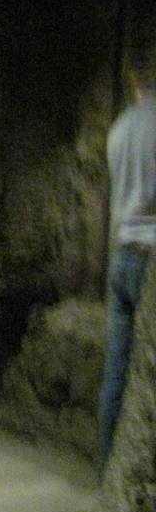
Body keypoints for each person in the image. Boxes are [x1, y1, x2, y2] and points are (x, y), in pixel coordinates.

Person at [99, 67, 156, 468]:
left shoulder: (119, 128)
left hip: (122, 256)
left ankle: (108, 471)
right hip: (153, 260)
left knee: (116, 369)